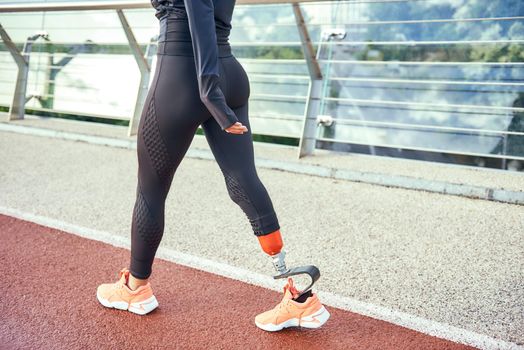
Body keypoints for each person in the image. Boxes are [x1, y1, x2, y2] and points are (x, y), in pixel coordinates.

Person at [96, 0, 330, 331]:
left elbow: (198, 7)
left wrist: (208, 89)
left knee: (151, 190)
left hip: (183, 76)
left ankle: (136, 288)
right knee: (242, 181)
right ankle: (298, 294)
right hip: (229, 70)